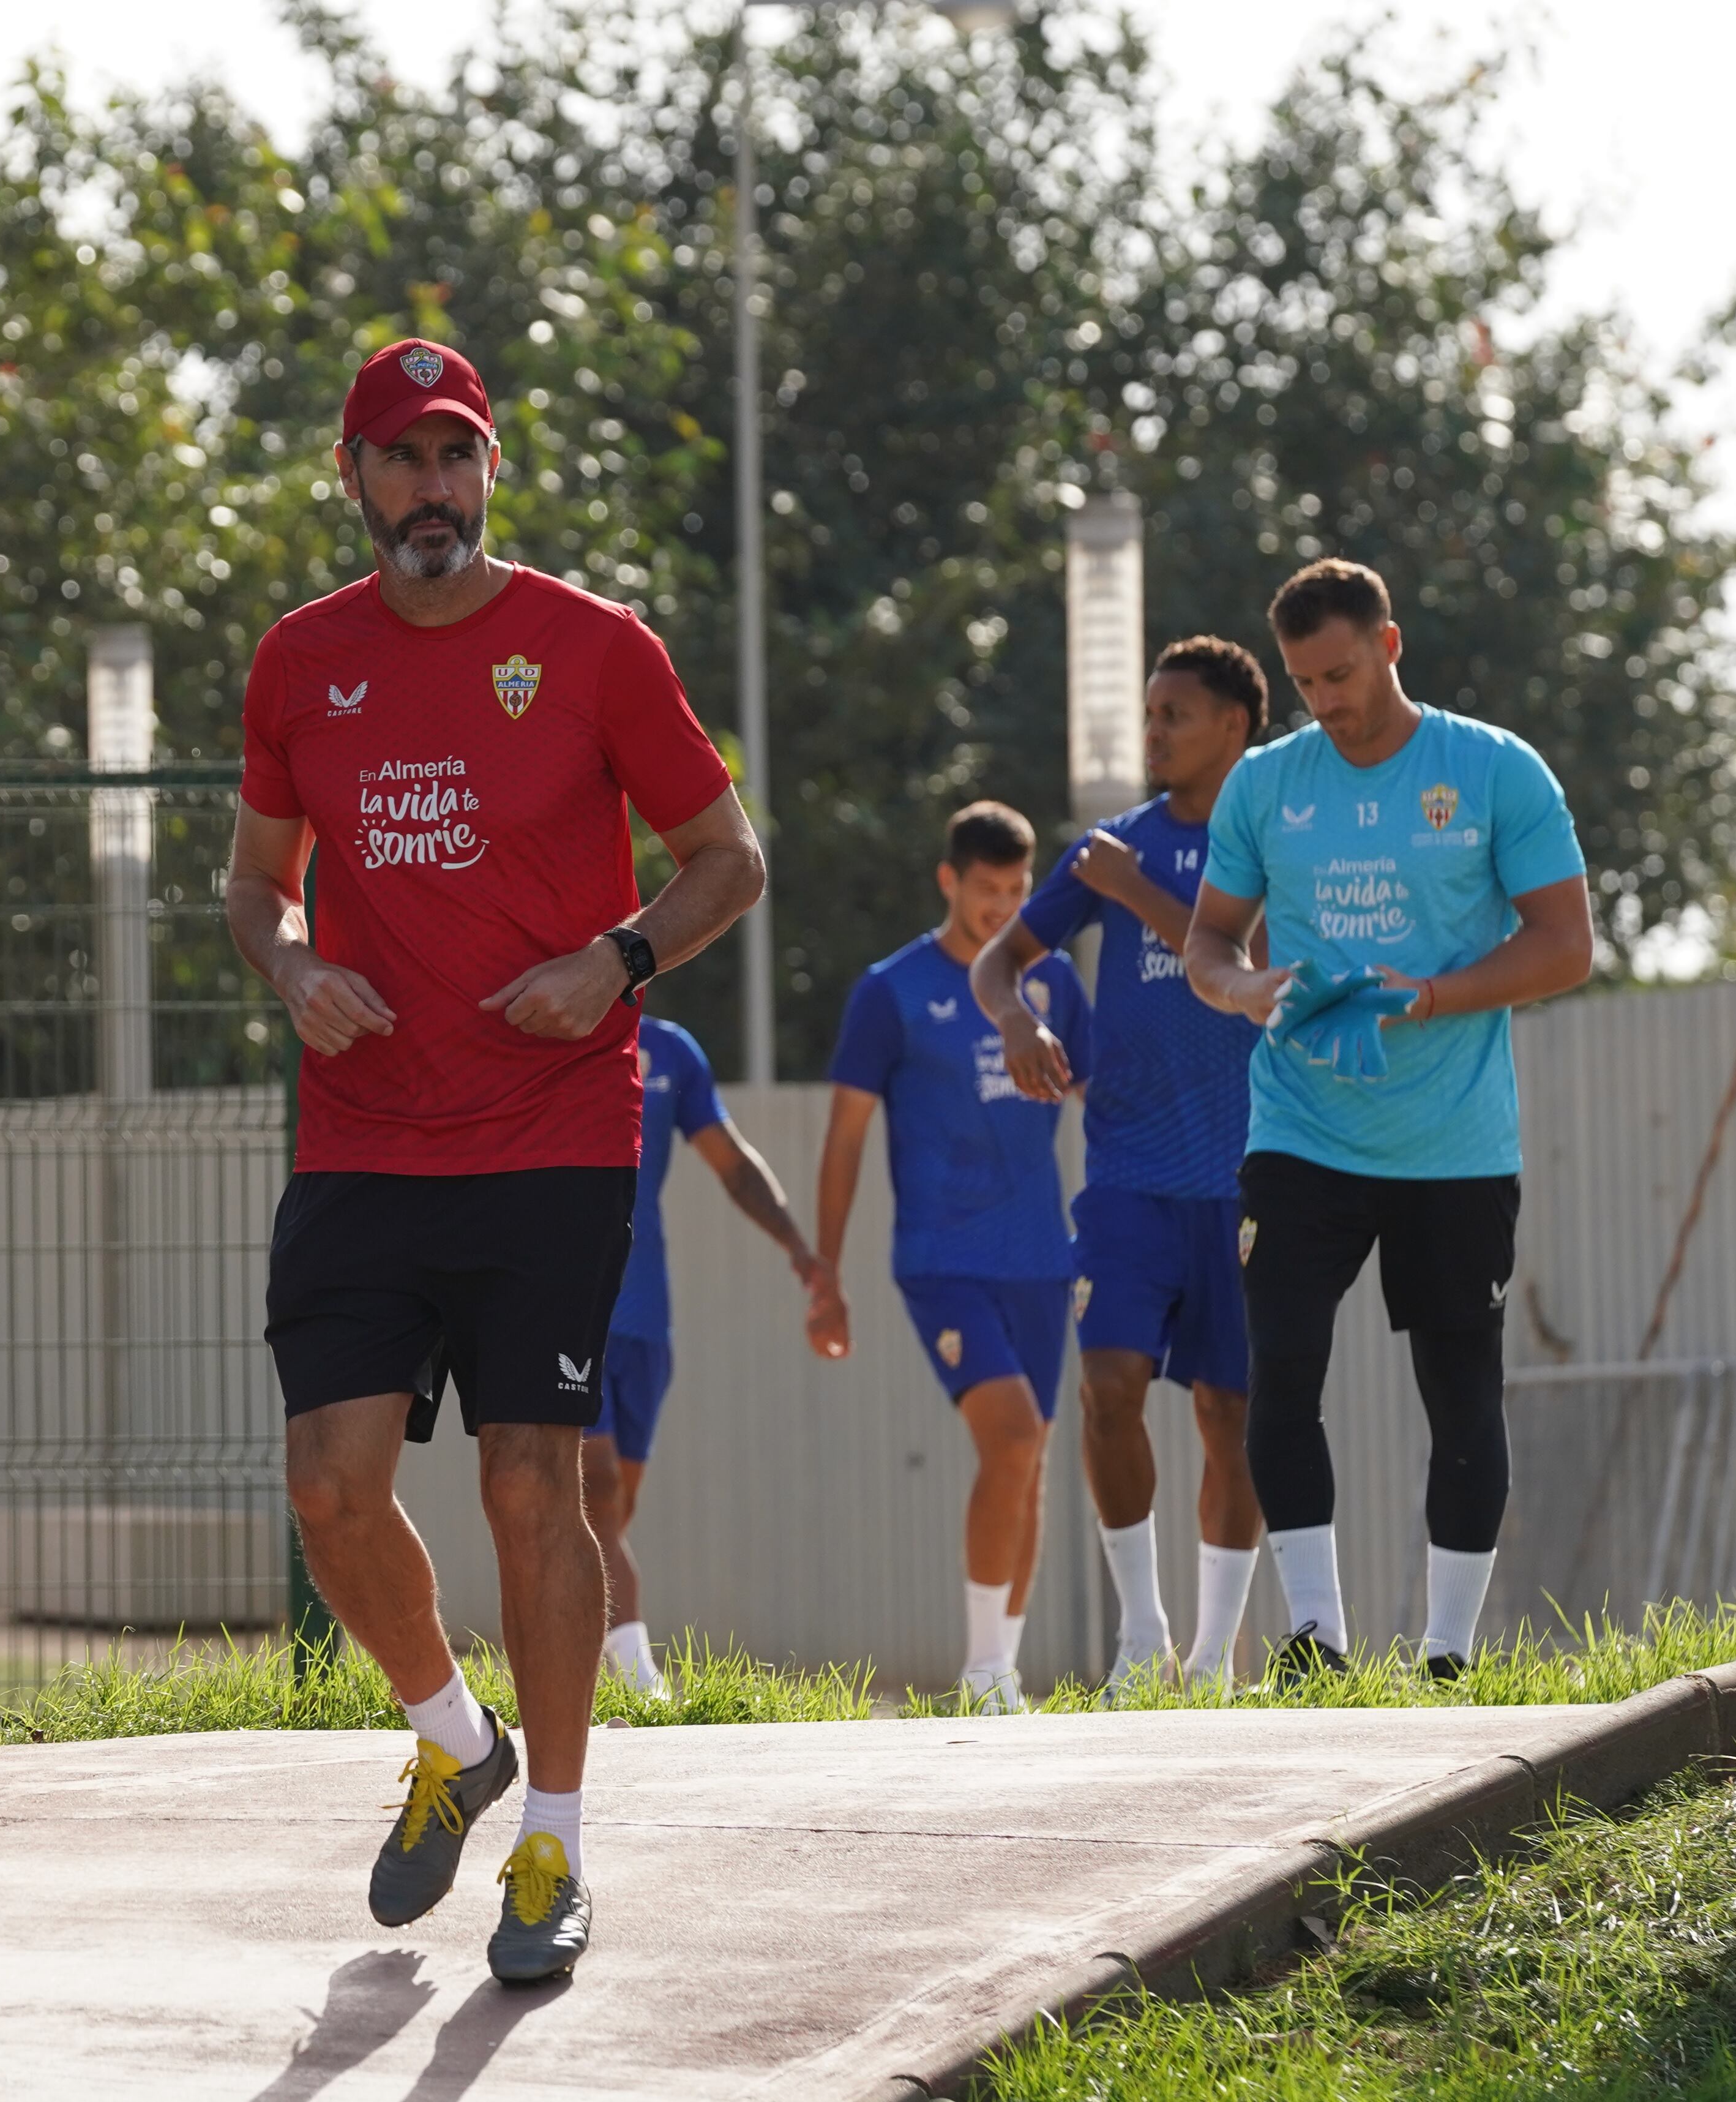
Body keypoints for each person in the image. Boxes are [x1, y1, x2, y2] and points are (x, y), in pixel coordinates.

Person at [225, 337, 761, 1984]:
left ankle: (552, 1850)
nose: (430, 489)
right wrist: (296, 965)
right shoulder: (298, 662)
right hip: (368, 1141)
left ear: (489, 471)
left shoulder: (592, 649)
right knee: (328, 1486)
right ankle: (456, 1745)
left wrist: (616, 959)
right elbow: (255, 885)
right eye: (399, 459)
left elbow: (725, 860)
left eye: (455, 455)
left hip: (548, 1132)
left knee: (534, 1483)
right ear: (353, 481)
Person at [1182, 558, 1591, 1684]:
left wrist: (1433, 992)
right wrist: (1241, 988)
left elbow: (1566, 944)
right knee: (1282, 1367)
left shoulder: (1494, 768)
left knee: (1460, 1389)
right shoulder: (1266, 787)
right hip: (1301, 1129)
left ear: (1390, 645)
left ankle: (1448, 1651)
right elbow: (1207, 941)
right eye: (1307, 681)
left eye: (1343, 672)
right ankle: (1315, 1634)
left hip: (1454, 1142)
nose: (1328, 700)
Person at [970, 638, 1271, 1694]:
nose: (1150, 734)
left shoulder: (1270, 832)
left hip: (1247, 1176)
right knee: (1107, 1387)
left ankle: (1213, 1656)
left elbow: (1255, 960)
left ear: (1233, 725)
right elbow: (997, 957)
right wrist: (1014, 1020)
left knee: (1231, 1413)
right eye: (1145, 713)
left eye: (1172, 716)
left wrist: (1138, 894)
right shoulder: (1112, 845)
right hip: (1128, 1176)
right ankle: (1142, 1638)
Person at [810, 803, 1091, 1713]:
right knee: (1009, 1434)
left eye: (1017, 891)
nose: (1001, 907)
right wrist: (826, 1271)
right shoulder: (890, 991)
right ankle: (977, 1674)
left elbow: (1104, 1093)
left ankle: (999, 1675)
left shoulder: (1050, 983)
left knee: (1031, 1454)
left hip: (1041, 1256)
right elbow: (845, 1138)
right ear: (949, 881)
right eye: (986, 891)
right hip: (940, 1256)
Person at [589, 1015, 832, 1701]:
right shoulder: (547, 1025)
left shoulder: (672, 1050)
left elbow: (730, 1162)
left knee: (614, 1505)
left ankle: (576, 1664)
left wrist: (797, 1248)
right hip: (566, 1304)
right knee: (596, 1488)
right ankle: (640, 1682)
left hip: (645, 1315)